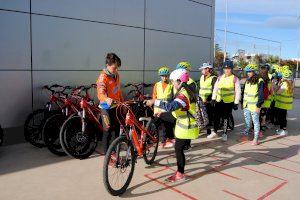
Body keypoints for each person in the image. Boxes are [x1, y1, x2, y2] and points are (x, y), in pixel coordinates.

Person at [145, 69, 199, 182]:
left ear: (179, 81)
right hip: (183, 122)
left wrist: (155, 101)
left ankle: (180, 173)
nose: (172, 83)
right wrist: (162, 112)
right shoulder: (185, 90)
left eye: (173, 81)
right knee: (178, 148)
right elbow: (175, 108)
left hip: (186, 126)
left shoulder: (183, 95)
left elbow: (171, 106)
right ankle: (167, 140)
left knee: (178, 150)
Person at [96, 53, 123, 154]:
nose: (116, 70)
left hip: (116, 106)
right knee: (107, 129)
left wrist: (122, 103)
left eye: (117, 68)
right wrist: (106, 98)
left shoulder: (116, 75)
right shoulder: (103, 77)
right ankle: (107, 154)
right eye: (114, 68)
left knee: (117, 129)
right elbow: (100, 94)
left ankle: (115, 151)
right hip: (105, 108)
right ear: (107, 65)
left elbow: (118, 91)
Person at [209, 60, 241, 141]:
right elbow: (215, 88)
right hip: (219, 100)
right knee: (216, 117)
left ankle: (224, 133)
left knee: (225, 117)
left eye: (229, 68)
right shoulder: (220, 77)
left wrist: (236, 103)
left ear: (231, 69)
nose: (226, 70)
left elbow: (238, 91)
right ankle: (215, 132)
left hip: (228, 102)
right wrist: (213, 98)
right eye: (225, 68)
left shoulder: (235, 78)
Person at [239, 64, 264, 145]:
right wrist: (242, 103)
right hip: (246, 105)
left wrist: (258, 106)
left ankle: (255, 139)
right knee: (247, 121)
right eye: (247, 72)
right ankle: (246, 133)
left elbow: (261, 95)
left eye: (250, 72)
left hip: (254, 106)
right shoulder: (247, 80)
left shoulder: (260, 81)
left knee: (255, 122)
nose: (248, 73)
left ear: (254, 72)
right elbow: (244, 93)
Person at [152, 66, 175, 148]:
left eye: (166, 76)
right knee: (159, 125)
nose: (164, 77)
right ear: (160, 76)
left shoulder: (171, 85)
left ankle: (166, 140)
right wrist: (155, 110)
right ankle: (162, 141)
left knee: (167, 125)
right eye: (163, 76)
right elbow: (154, 97)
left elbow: (173, 98)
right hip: (158, 108)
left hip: (167, 108)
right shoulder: (157, 85)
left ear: (168, 76)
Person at [198, 62, 217, 136]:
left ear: (207, 69)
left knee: (209, 116)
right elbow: (201, 88)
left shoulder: (214, 78)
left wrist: (210, 100)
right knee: (202, 115)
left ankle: (210, 131)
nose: (201, 71)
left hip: (208, 100)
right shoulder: (202, 77)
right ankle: (204, 128)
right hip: (201, 100)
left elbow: (214, 90)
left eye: (203, 69)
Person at [274, 68, 294, 136]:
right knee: (283, 117)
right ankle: (283, 129)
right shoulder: (291, 83)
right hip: (286, 104)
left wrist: (278, 86)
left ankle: (283, 130)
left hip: (282, 104)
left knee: (282, 117)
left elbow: (279, 92)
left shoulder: (285, 84)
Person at [259, 64, 273, 132]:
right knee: (263, 114)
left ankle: (258, 129)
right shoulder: (270, 79)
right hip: (267, 100)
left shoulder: (260, 79)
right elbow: (272, 92)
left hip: (261, 100)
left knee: (258, 114)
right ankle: (263, 126)